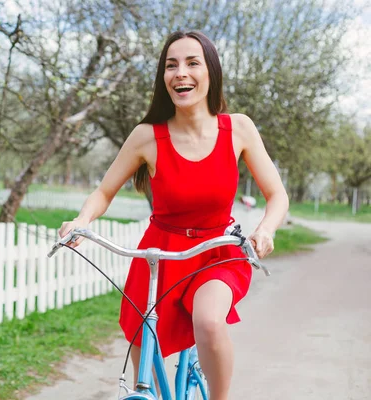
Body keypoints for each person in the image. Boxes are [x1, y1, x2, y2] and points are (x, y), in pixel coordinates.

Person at [57, 30, 289, 400]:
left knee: (209, 321)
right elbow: (103, 192)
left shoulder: (238, 129)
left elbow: (277, 195)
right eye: (171, 65)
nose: (180, 72)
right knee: (140, 338)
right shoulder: (146, 136)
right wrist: (82, 221)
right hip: (161, 253)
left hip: (217, 252)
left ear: (211, 71)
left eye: (192, 63)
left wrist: (266, 229)